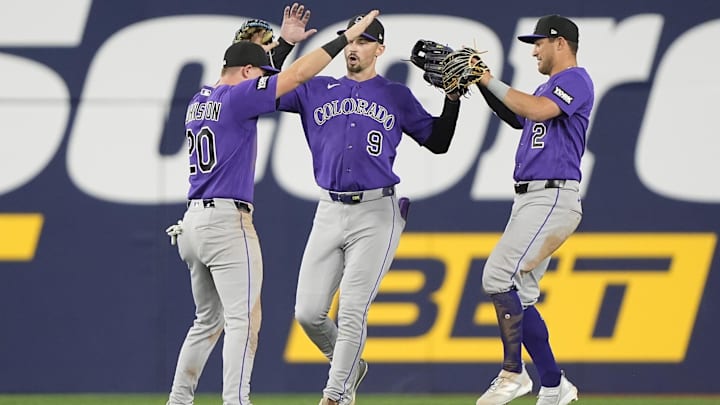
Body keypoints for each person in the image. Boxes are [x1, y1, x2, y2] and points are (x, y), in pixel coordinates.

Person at [164, 9, 381, 405]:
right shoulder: (238, 98)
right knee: (244, 322)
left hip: (191, 222)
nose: (266, 73)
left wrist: (281, 46)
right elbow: (292, 78)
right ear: (247, 70)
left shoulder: (201, 99)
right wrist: (341, 39)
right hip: (226, 224)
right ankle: (237, 401)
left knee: (205, 322)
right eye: (260, 67)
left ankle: (178, 400)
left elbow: (257, 79)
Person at [277, 15, 463, 405]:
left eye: (363, 42)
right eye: (349, 41)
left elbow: (440, 142)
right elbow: (265, 87)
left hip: (377, 212)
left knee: (352, 309)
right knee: (308, 313)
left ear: (379, 50)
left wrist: (451, 98)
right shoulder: (315, 88)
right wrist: (285, 43)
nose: (353, 48)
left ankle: (336, 394)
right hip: (329, 209)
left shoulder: (395, 94)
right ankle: (348, 366)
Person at [472, 14, 593, 405]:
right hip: (532, 198)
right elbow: (519, 115)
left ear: (561, 43)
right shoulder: (548, 86)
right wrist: (479, 80)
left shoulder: (575, 79)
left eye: (539, 42)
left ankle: (513, 373)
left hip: (552, 195)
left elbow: (538, 111)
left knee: (496, 276)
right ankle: (556, 385)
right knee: (519, 296)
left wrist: (489, 79)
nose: (534, 50)